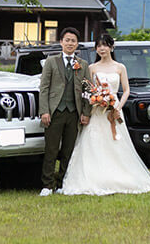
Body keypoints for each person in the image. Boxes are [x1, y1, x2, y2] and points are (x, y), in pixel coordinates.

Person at [61, 33, 150, 195]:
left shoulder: (120, 67)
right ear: (96, 49)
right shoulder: (92, 68)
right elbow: (88, 90)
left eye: (105, 45)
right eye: (99, 46)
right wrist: (96, 100)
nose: (102, 49)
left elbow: (126, 90)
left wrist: (118, 107)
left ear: (111, 47)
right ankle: (96, 177)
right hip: (97, 110)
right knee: (95, 142)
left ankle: (118, 176)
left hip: (114, 108)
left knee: (115, 142)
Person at [38, 27, 91, 196]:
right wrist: (44, 111)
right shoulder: (51, 61)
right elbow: (44, 88)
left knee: (68, 150)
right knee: (51, 150)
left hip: (74, 112)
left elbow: (87, 90)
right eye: (67, 40)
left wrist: (86, 113)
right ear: (61, 42)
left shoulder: (83, 65)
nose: (70, 43)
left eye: (73, 41)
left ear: (77, 44)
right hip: (55, 111)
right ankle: (47, 185)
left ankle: (62, 183)